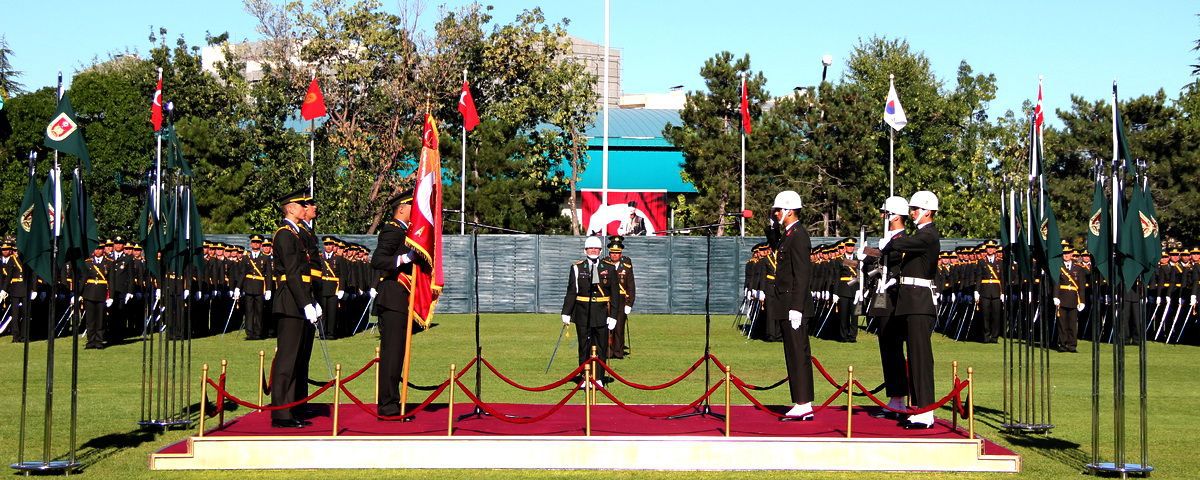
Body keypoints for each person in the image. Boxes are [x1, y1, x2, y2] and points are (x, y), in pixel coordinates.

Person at [868, 190, 941, 429]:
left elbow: (903, 243)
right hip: (910, 301)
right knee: (914, 354)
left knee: (920, 356)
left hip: (920, 301)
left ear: (928, 211)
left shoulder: (928, 235)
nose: (912, 214)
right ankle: (917, 407)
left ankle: (925, 410)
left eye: (915, 209)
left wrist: (889, 244)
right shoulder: (920, 235)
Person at [270, 189, 320, 428]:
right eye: (300, 205)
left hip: (298, 300)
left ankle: (291, 408)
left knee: (297, 359)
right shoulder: (284, 234)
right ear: (290, 208)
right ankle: (281, 413)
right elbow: (292, 273)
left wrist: (312, 301)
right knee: (287, 359)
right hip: (290, 302)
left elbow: (305, 274)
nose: (304, 208)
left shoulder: (297, 233)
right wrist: (305, 303)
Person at [765, 190, 815, 420]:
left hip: (794, 304)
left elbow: (802, 275)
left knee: (798, 353)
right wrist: (771, 225)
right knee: (792, 353)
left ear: (789, 210)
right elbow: (776, 245)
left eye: (778, 210)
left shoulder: (799, 236)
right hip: (786, 302)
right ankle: (801, 401)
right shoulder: (788, 234)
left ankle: (804, 403)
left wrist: (797, 307)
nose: (775, 214)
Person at [372, 190, 418, 418]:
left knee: (397, 352)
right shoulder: (392, 229)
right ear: (401, 208)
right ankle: (388, 405)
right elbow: (378, 260)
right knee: (392, 353)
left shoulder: (405, 231)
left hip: (400, 298)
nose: (414, 210)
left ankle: (392, 401)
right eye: (411, 206)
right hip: (392, 297)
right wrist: (404, 259)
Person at [865, 196, 909, 418]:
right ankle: (895, 397)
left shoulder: (902, 239)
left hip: (894, 296)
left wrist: (883, 253)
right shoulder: (887, 239)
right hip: (882, 296)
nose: (884, 217)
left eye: (886, 214)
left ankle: (899, 398)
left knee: (893, 346)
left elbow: (901, 266)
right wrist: (868, 254)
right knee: (886, 346)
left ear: (896, 215)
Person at [561, 236, 620, 379]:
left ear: (600, 251)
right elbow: (572, 291)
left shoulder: (609, 268)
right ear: (585, 250)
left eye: (596, 248)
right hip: (582, 312)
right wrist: (566, 312)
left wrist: (613, 315)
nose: (593, 250)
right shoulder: (577, 268)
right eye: (590, 248)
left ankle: (599, 378)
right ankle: (584, 377)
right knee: (584, 347)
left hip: (602, 313)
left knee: (601, 347)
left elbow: (615, 294)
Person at [603, 236, 635, 359]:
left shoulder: (626, 265)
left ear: (620, 254)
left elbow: (631, 285)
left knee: (619, 326)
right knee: (607, 326)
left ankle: (618, 352)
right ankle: (607, 351)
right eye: (612, 253)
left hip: (621, 299)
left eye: (617, 253)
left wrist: (629, 303)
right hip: (607, 299)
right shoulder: (604, 263)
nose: (614, 255)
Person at [1054, 246, 1086, 352]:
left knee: (1072, 324)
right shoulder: (1059, 267)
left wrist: (1082, 301)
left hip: (1073, 299)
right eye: (1064, 253)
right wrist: (1055, 296)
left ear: (1072, 254)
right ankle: (1062, 345)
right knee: (1062, 324)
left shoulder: (1079, 268)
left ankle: (1072, 345)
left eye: (1068, 253)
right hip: (1062, 298)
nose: (1066, 255)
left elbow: (1081, 286)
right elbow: (1056, 283)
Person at [241, 234, 271, 340]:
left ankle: (258, 333)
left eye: (258, 242)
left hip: (259, 287)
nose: (255, 244)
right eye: (254, 242)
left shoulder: (265, 258)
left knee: (259, 311)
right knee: (249, 311)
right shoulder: (246, 258)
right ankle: (249, 333)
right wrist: (237, 288)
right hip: (248, 287)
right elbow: (242, 274)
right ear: (251, 244)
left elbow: (268, 275)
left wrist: (268, 289)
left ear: (260, 244)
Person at [83, 246, 113, 349]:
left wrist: (111, 296)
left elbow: (111, 280)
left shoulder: (109, 262)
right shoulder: (87, 262)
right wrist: (78, 294)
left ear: (103, 250)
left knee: (100, 319)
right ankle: (90, 341)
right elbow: (83, 278)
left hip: (102, 293)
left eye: (100, 249)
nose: (98, 251)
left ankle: (99, 341)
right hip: (89, 293)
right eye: (96, 249)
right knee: (90, 319)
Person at [1, 241, 31, 342]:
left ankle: (24, 336)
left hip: (25, 288)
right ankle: (15, 336)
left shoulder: (26, 259)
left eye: (17, 250)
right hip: (15, 289)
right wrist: (3, 290)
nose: (15, 252)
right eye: (14, 250)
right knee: (15, 314)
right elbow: (8, 277)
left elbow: (32, 275)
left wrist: (33, 289)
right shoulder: (11, 261)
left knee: (25, 314)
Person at [977, 240, 1004, 343]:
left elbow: (1002, 278)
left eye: (992, 248)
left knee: (996, 315)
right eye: (988, 248)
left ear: (995, 250)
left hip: (997, 291)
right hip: (985, 291)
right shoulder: (982, 261)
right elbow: (979, 277)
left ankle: (994, 336)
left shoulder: (1000, 262)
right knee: (985, 315)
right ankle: (986, 336)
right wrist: (977, 291)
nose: (990, 249)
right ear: (986, 249)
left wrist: (1003, 292)